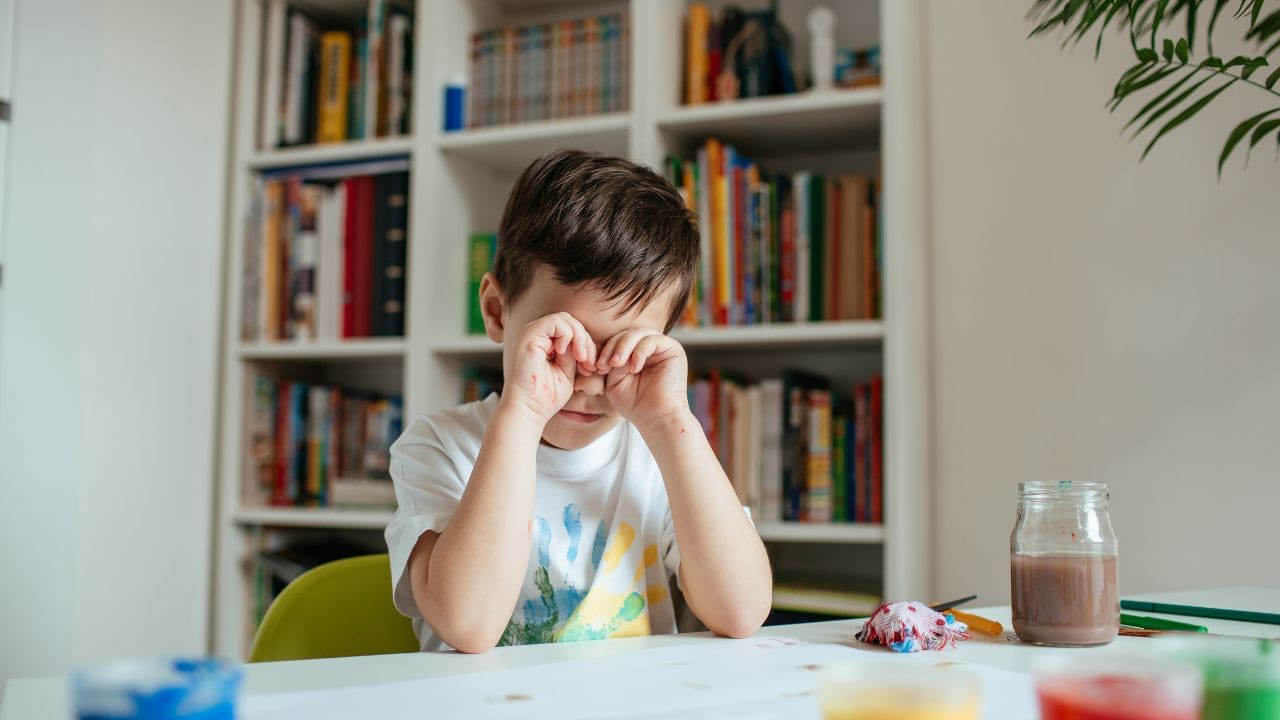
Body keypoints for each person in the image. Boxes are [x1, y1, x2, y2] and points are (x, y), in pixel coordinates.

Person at [385, 149, 772, 653]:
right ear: (498, 312)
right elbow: (468, 624)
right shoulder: (438, 447)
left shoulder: (658, 457)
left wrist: (671, 421)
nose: (590, 381)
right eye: (561, 344)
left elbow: (741, 611)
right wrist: (522, 415)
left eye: (621, 351)